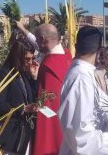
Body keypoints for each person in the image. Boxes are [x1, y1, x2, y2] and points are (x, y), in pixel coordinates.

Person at [59, 26, 108, 154]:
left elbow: (101, 106)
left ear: (76, 46)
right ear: (100, 50)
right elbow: (79, 134)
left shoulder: (86, 73)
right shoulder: (80, 78)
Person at [0, 39, 39, 155]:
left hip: (21, 133)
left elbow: (30, 97)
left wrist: (34, 78)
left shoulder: (22, 73)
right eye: (27, 59)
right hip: (8, 134)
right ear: (17, 57)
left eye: (32, 59)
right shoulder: (4, 74)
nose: (30, 62)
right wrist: (22, 109)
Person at [33, 24, 72, 155]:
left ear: (43, 38)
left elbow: (48, 106)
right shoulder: (67, 56)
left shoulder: (50, 65)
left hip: (53, 129)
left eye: (37, 40)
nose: (37, 44)